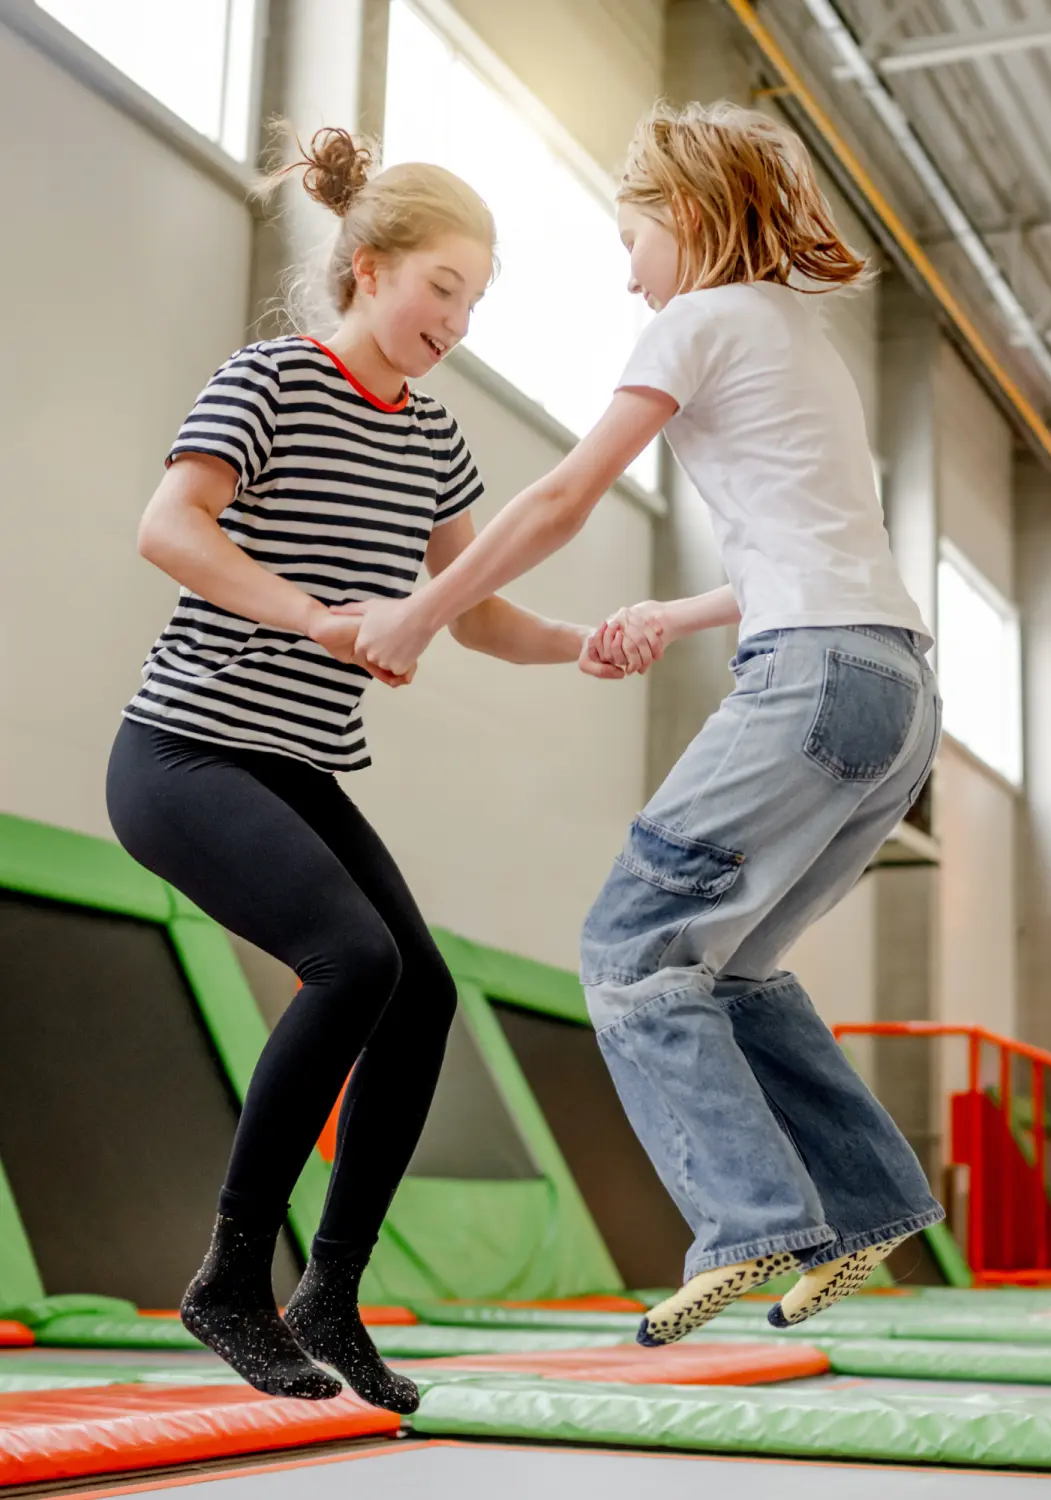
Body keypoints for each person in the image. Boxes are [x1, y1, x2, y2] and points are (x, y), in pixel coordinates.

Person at [342, 101, 946, 1344]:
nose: (627, 275)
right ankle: (872, 1203)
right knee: (732, 965)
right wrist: (668, 616)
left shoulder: (697, 319)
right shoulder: (797, 338)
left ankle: (748, 1224)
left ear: (684, 213)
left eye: (632, 241)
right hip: (893, 693)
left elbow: (565, 494)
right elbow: (811, 553)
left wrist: (420, 610)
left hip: (808, 678)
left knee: (628, 946)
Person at [106, 128, 635, 1410]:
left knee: (421, 993)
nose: (452, 321)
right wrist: (317, 617)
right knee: (357, 959)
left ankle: (328, 1296)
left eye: (474, 301)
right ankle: (231, 1279)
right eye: (439, 287)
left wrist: (582, 643)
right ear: (367, 263)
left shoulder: (437, 442)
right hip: (183, 749)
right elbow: (167, 527)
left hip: (297, 766)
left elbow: (474, 612)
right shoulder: (270, 378)